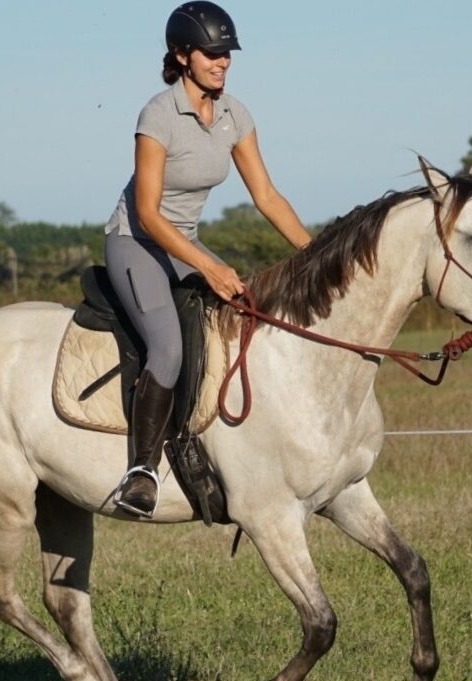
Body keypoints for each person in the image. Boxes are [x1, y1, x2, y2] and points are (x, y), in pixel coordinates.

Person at [104, 1, 312, 517]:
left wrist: (314, 255)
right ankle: (142, 472)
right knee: (168, 349)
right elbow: (150, 216)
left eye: (227, 53)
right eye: (212, 53)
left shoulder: (234, 115)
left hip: (185, 243)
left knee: (250, 318)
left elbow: (266, 195)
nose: (223, 62)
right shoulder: (158, 114)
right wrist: (209, 265)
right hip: (137, 242)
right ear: (182, 55)